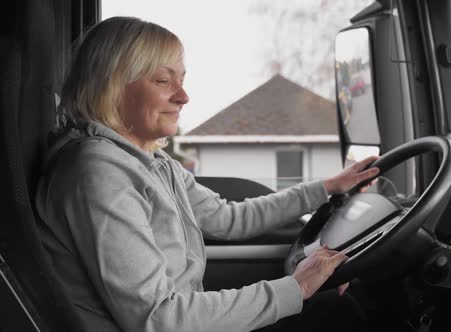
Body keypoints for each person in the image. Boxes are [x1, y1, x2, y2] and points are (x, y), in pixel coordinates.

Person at [35, 16, 380, 332]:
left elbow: (229, 218)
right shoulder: (98, 175)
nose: (183, 96)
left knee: (336, 306)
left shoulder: (153, 163)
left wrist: (327, 187)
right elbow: (159, 319)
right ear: (111, 86)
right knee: (341, 315)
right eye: (162, 81)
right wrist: (298, 287)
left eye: (182, 80)